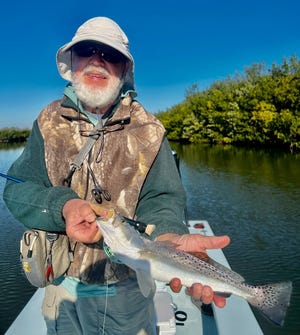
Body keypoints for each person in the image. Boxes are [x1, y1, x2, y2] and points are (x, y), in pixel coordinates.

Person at [4, 17, 230, 335]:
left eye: (110, 55)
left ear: (124, 69)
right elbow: (18, 190)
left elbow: (163, 198)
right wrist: (63, 207)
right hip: (62, 291)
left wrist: (166, 237)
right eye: (87, 50)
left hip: (130, 295)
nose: (97, 59)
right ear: (72, 61)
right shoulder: (46, 122)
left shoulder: (150, 130)